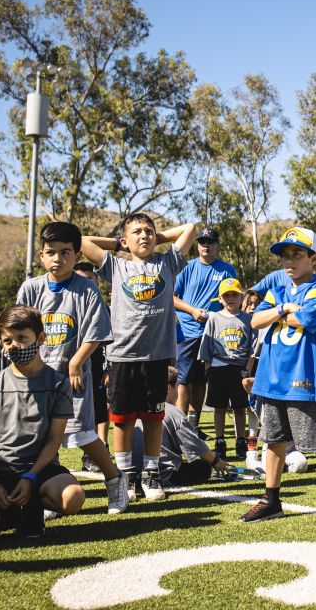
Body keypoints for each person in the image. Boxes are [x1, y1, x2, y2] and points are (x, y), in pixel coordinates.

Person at [79, 214, 197, 502]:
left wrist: (158, 238)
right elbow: (83, 241)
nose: (144, 236)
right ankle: (125, 476)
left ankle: (150, 475)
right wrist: (119, 244)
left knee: (154, 417)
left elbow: (190, 229)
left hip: (157, 356)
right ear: (125, 239)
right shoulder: (115, 266)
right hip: (122, 355)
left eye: (149, 232)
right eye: (136, 232)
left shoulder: (167, 263)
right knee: (122, 420)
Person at [238, 227, 316, 525]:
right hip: (271, 378)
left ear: (313, 257)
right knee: (272, 440)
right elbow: (254, 320)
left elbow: (307, 319)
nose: (289, 261)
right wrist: (283, 308)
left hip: (305, 379)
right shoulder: (277, 290)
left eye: (297, 254)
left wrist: (276, 314)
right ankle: (270, 499)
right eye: (286, 256)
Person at [16, 222, 128, 514]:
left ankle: (116, 480)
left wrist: (76, 362)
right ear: (40, 255)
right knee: (41, 437)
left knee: (82, 435)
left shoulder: (87, 289)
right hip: (38, 378)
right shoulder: (30, 289)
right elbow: (19, 330)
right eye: (51, 252)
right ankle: (49, 492)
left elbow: (96, 332)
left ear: (77, 256)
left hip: (73, 379)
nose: (58, 259)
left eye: (65, 252)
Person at [0, 306, 84, 546]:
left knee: (73, 497)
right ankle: (13, 512)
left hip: (40, 472)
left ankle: (33, 503)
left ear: (41, 338)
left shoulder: (58, 384)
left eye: (22, 338)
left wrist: (30, 477)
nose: (14, 345)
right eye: (7, 340)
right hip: (0, 473)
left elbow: (54, 440)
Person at [173, 227, 238, 437]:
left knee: (202, 381)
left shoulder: (227, 270)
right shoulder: (186, 267)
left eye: (210, 242)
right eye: (202, 242)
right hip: (187, 332)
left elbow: (235, 299)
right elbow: (171, 297)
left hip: (214, 334)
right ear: (197, 245)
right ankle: (179, 427)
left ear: (217, 245)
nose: (206, 246)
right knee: (184, 380)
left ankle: (193, 426)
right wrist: (192, 310)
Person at [130, 367, 239, 487]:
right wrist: (216, 461)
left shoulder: (136, 408)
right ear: (168, 388)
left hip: (133, 472)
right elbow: (194, 445)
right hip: (162, 473)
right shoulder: (173, 412)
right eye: (177, 387)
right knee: (203, 466)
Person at [198, 278, 254, 463]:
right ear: (220, 299)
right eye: (226, 295)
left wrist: (247, 368)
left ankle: (240, 440)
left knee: (240, 407)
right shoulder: (214, 317)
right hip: (218, 367)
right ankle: (220, 441)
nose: (230, 299)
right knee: (219, 407)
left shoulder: (248, 319)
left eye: (234, 295)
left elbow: (253, 347)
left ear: (241, 297)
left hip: (239, 369)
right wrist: (208, 367)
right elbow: (206, 344)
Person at [73, 261, 111, 458]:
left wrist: (109, 369)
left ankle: (101, 448)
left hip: (97, 364)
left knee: (100, 408)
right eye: (81, 279)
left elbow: (113, 341)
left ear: (97, 282)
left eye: (90, 280)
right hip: (71, 367)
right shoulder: (70, 306)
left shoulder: (106, 309)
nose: (86, 284)